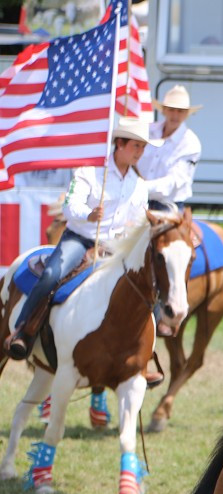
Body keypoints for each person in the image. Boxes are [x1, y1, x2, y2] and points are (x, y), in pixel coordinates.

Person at [5, 118, 162, 366]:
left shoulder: (140, 186)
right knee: (52, 274)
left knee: (147, 285)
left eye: (143, 148)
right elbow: (70, 206)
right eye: (136, 146)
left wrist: (135, 230)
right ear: (119, 144)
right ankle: (24, 330)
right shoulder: (88, 171)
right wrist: (88, 215)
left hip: (116, 248)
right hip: (80, 239)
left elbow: (137, 219)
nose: (140, 153)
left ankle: (143, 353)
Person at [137, 85, 202, 212]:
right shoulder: (147, 131)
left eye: (180, 111)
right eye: (172, 109)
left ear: (186, 114)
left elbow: (175, 181)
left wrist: (141, 187)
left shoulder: (190, 143)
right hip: (138, 201)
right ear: (164, 110)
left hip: (168, 205)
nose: (175, 115)